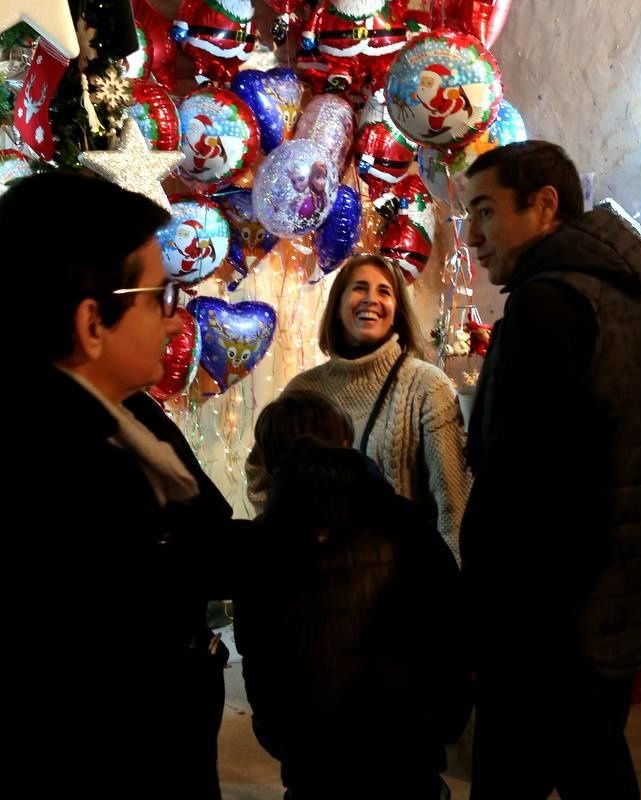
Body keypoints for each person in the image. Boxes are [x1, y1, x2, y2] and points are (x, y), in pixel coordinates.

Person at [5, 171, 234, 800]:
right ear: (92, 324)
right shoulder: (71, 478)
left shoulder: (114, 424)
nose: (172, 320)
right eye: (159, 297)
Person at [459, 140, 641, 799]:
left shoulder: (546, 303)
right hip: (607, 605)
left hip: (544, 626)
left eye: (486, 211)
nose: (473, 236)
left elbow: (527, 484)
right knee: (596, 765)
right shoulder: (630, 297)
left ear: (544, 206)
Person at [235, 389, 472, 800]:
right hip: (410, 759)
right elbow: (452, 635)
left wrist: (287, 743)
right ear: (343, 445)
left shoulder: (260, 545)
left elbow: (261, 667)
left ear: (273, 463)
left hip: (313, 770)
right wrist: (443, 725)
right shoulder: (405, 523)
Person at [245, 253, 470, 559]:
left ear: (396, 312)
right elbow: (260, 475)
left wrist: (448, 588)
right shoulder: (304, 390)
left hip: (398, 588)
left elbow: (454, 507)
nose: (371, 300)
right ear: (337, 306)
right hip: (316, 589)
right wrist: (291, 541)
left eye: (384, 292)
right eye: (359, 288)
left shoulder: (428, 387)